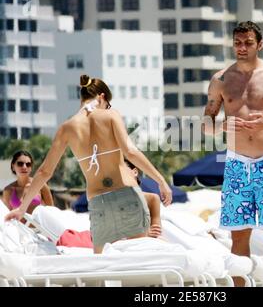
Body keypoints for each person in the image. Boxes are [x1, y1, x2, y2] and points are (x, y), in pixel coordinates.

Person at [5, 74, 172, 254]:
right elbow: (130, 152)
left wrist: (22, 209)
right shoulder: (110, 115)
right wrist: (160, 181)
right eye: (108, 104)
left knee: (102, 264)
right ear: (101, 96)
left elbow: (45, 171)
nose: (108, 107)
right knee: (141, 257)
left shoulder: (67, 128)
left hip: (98, 202)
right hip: (126, 193)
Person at [202, 21, 263, 287]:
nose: (242, 48)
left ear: (259, 44)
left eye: (247, 42)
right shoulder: (220, 79)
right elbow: (206, 125)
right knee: (238, 237)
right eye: (237, 43)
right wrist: (223, 125)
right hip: (237, 164)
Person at [2, 151, 54, 220]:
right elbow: (7, 215)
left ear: (31, 167)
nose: (24, 167)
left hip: (38, 229)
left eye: (28, 164)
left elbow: (52, 211)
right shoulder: (8, 190)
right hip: (18, 229)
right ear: (13, 166)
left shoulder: (40, 185)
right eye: (20, 164)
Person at [124, 159, 162, 238]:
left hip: (148, 242)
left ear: (135, 172)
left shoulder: (152, 198)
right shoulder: (113, 201)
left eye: (122, 169)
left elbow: (156, 232)